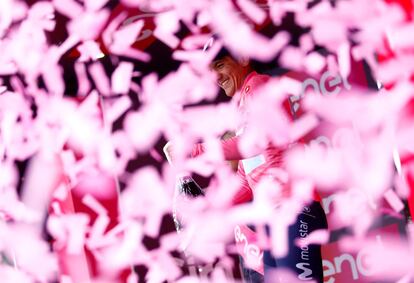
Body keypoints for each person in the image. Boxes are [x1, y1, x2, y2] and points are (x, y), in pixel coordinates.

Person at [164, 42, 327, 283]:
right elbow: (245, 179)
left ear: (242, 57)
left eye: (220, 65)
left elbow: (251, 143)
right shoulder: (243, 105)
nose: (216, 76)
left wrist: (192, 151)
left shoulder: (258, 86)